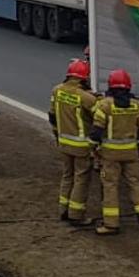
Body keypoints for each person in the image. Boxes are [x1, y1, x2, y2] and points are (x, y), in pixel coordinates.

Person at [90, 69, 139, 234]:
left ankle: (111, 224)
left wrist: (93, 148)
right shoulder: (136, 105)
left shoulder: (105, 105)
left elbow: (96, 132)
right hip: (131, 153)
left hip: (110, 155)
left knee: (110, 186)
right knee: (135, 184)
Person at [49, 60, 99, 226]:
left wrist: (57, 135)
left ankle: (62, 210)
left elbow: (52, 116)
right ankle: (76, 215)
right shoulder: (85, 97)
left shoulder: (57, 90)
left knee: (67, 176)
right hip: (81, 146)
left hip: (63, 142)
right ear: (84, 78)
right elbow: (99, 117)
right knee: (81, 179)